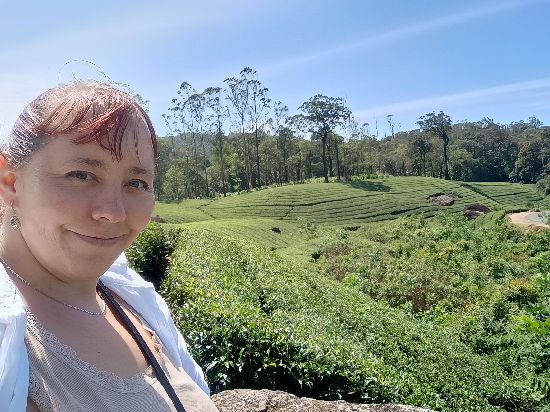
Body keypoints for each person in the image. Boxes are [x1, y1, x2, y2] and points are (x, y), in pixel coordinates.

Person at [0, 82, 219, 411]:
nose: (113, 212)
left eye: (136, 183)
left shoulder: (137, 301)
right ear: (10, 183)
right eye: (81, 175)